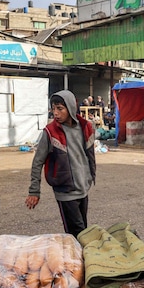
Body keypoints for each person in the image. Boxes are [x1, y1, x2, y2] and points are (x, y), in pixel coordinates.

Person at [25, 90, 96, 237]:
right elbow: (37, 162)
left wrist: (89, 177)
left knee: (83, 229)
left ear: (70, 108)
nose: (55, 113)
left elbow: (89, 156)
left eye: (60, 109)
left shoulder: (85, 127)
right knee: (78, 233)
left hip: (83, 188)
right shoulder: (50, 132)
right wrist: (34, 191)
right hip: (65, 191)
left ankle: (79, 258)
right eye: (53, 109)